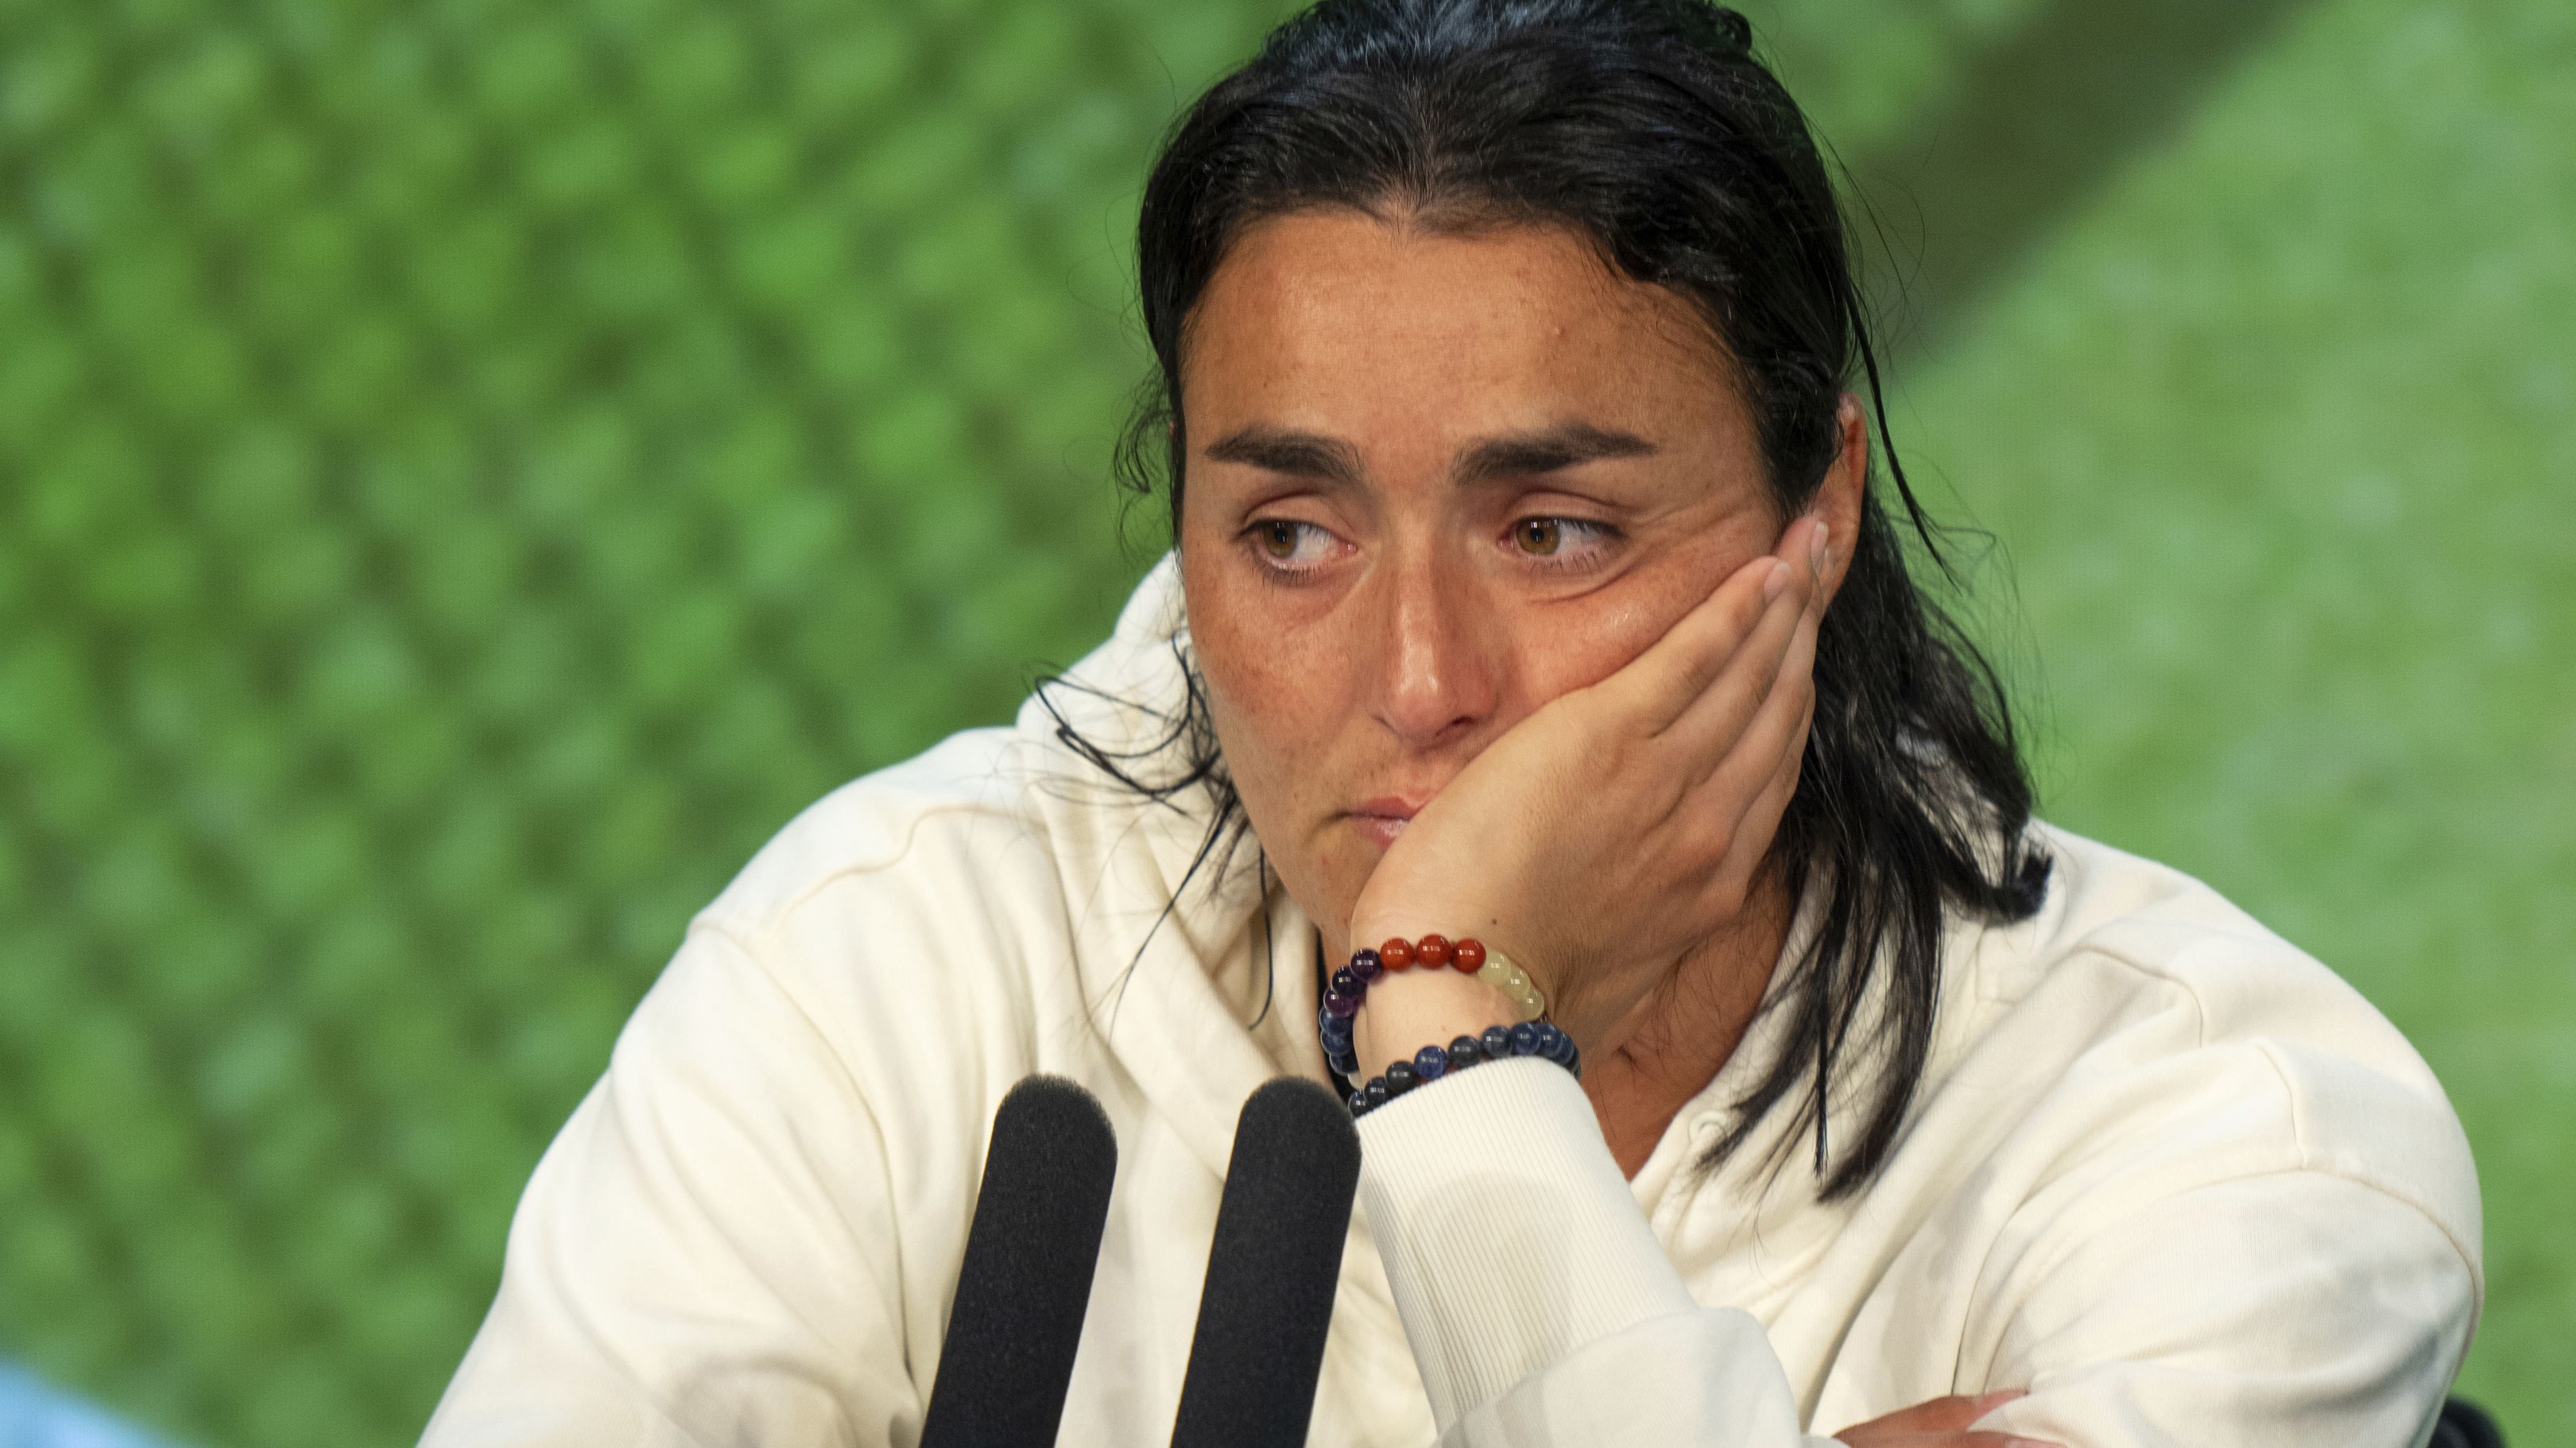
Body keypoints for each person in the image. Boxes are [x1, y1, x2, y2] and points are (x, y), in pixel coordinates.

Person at [419, 1, 2481, 1443]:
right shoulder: (890, 960)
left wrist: (1443, 1024)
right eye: (1293, 532)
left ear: (1815, 507)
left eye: (1555, 527)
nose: (1415, 682)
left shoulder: (2225, 1145)